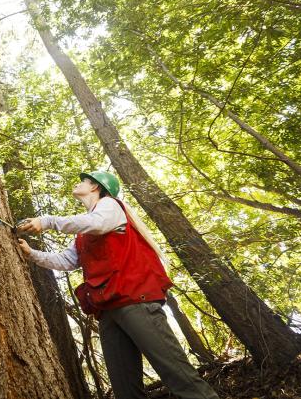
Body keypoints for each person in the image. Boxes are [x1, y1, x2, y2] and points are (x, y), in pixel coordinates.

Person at [17, 171, 219, 399]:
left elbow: (98, 223)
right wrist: (31, 254)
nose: (79, 182)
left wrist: (48, 221)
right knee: (125, 391)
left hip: (136, 302)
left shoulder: (109, 206)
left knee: (180, 377)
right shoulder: (85, 232)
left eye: (84, 180)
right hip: (108, 311)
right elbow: (68, 260)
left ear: (95, 187)